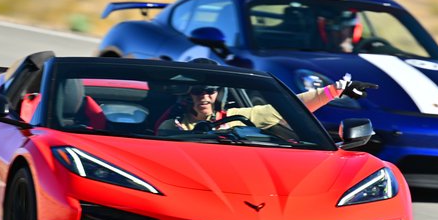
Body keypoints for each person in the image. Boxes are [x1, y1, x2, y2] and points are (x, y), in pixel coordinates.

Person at [157, 76, 375, 133]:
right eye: (197, 91)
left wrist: (335, 90)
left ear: (217, 94)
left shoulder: (235, 115)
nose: (204, 96)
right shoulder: (172, 125)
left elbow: (288, 108)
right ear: (188, 96)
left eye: (210, 90)